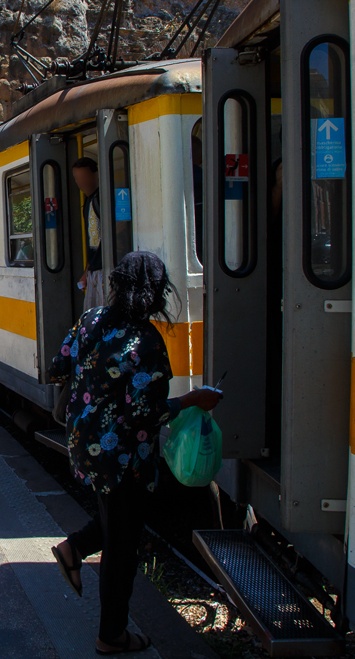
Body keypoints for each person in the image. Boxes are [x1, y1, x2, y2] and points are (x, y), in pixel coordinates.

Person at [47, 251, 222, 655]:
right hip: (124, 458)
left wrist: (94, 379)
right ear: (155, 292)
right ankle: (111, 636)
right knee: (122, 546)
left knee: (119, 520)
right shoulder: (146, 342)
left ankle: (72, 548)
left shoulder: (89, 319)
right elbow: (146, 416)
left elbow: (58, 367)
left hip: (85, 446)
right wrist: (194, 399)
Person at [72, 157, 105, 309]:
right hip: (94, 272)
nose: (80, 183)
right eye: (77, 179)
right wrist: (87, 271)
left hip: (106, 270)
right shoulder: (88, 202)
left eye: (84, 177)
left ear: (96, 174)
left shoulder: (102, 199)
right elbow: (94, 243)